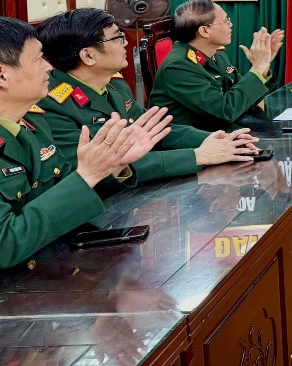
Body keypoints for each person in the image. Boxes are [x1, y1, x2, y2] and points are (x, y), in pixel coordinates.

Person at [0, 17, 171, 268]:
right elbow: (6, 245)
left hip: (54, 262)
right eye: (37, 59)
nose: (48, 67)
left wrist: (112, 165)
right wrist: (87, 175)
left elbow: (66, 194)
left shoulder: (32, 121)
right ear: (2, 76)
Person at [36, 9, 258, 186]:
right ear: (88, 56)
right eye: (117, 38)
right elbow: (104, 167)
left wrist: (215, 140)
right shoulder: (51, 105)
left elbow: (151, 129)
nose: (125, 43)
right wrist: (198, 155)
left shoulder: (114, 83)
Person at [149, 0, 284, 132]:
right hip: (200, 138)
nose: (231, 24)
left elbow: (243, 99)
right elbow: (225, 111)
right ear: (205, 31)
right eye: (225, 21)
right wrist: (257, 68)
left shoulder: (216, 54)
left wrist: (263, 66)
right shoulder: (178, 67)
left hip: (224, 129)